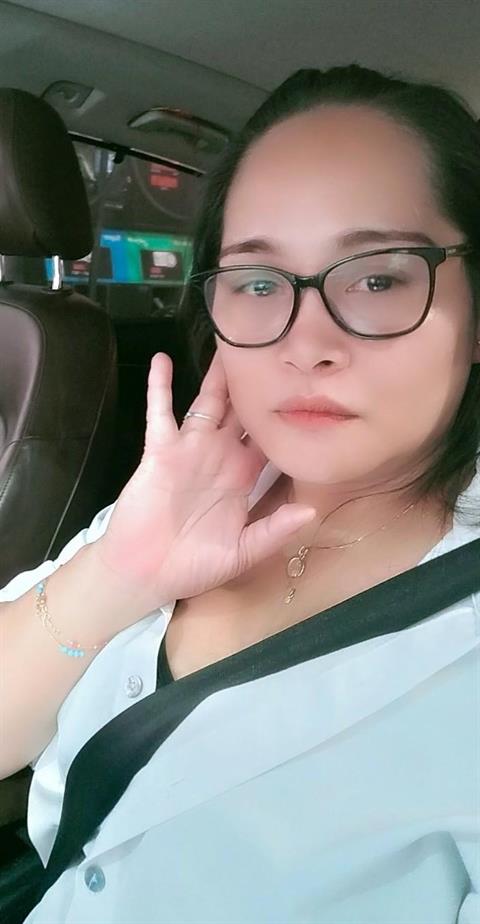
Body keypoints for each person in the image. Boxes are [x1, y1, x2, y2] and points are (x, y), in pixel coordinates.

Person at [1, 64, 479, 924]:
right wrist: (118, 574)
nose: (306, 342)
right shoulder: (193, 488)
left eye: (378, 278)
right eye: (259, 283)